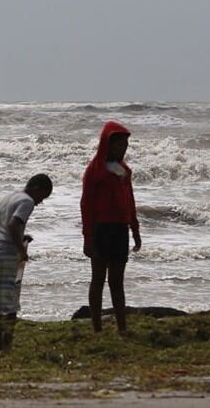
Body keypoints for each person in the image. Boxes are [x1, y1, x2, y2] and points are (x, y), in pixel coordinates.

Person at [80, 121, 142, 334]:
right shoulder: (95, 170)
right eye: (120, 144)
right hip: (101, 229)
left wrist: (135, 229)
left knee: (117, 281)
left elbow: (130, 201)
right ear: (108, 144)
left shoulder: (124, 170)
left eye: (126, 145)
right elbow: (86, 205)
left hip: (120, 229)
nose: (123, 149)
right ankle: (97, 328)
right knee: (98, 279)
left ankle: (122, 327)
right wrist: (87, 237)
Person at [0, 174, 52, 351]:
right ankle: (7, 345)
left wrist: (21, 237)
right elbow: (13, 225)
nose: (40, 202)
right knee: (11, 302)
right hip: (5, 253)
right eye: (42, 197)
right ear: (36, 188)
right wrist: (21, 251)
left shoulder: (6, 197)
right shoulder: (27, 201)